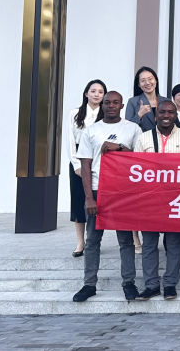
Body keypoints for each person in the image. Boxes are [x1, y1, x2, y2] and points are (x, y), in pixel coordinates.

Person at [72, 91, 142, 303]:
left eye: (115, 102)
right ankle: (89, 284)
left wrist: (119, 147)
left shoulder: (132, 128)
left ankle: (128, 283)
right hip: (97, 189)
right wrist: (88, 198)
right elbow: (85, 166)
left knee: (126, 240)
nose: (111, 105)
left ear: (122, 106)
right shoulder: (91, 130)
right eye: (107, 102)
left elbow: (140, 159)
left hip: (122, 190)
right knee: (93, 240)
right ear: (102, 106)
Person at [133, 99, 180, 299]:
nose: (166, 115)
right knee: (149, 244)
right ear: (156, 115)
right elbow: (136, 169)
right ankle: (151, 285)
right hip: (150, 199)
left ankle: (170, 283)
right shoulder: (144, 138)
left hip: (176, 199)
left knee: (174, 243)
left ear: (175, 115)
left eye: (171, 112)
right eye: (162, 112)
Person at [140, 82, 180, 255]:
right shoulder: (146, 137)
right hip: (154, 186)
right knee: (158, 225)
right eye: (179, 94)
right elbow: (137, 165)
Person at [67, 79, 105, 257]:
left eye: (100, 92)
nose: (97, 94)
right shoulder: (75, 113)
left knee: (98, 202)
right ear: (86, 93)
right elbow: (70, 140)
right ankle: (80, 242)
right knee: (79, 201)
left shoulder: (106, 114)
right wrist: (76, 164)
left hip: (99, 162)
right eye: (93, 91)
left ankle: (93, 240)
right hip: (79, 162)